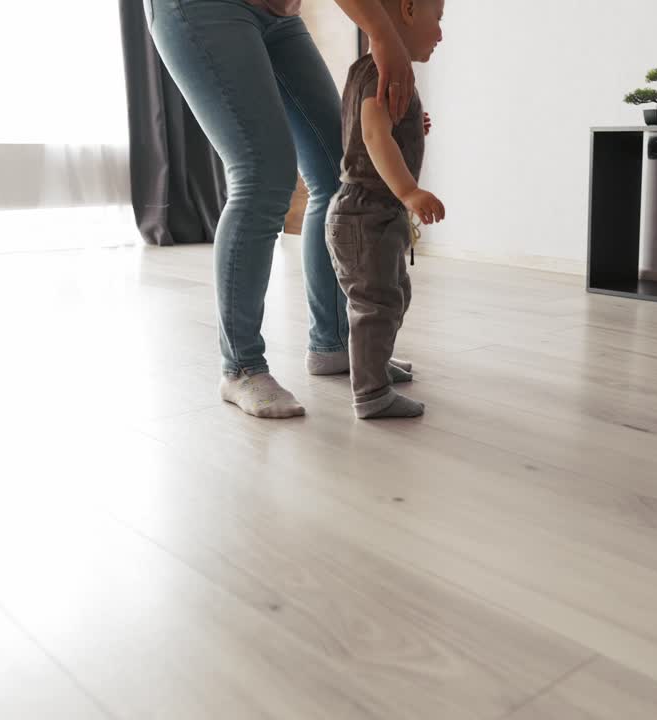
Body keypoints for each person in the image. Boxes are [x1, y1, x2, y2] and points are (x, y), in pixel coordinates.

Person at [146, 0, 417, 419]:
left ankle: (333, 343)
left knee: (337, 172)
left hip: (280, 14)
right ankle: (241, 367)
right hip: (204, 8)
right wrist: (384, 35)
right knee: (261, 174)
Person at [326, 0, 444, 419]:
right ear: (409, 9)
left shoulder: (369, 67)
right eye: (438, 20)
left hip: (373, 213)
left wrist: (412, 121)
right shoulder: (382, 71)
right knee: (376, 304)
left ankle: (375, 362)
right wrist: (410, 191)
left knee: (393, 295)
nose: (440, 34)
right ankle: (371, 394)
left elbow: (374, 124)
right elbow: (375, 137)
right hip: (366, 212)